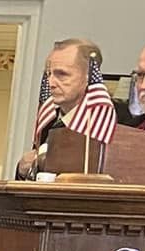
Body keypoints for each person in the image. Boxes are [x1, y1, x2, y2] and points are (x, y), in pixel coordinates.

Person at [14, 38, 104, 179]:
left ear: (89, 77)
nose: (51, 83)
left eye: (61, 74)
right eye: (49, 74)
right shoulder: (48, 122)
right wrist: (22, 171)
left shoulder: (109, 122)